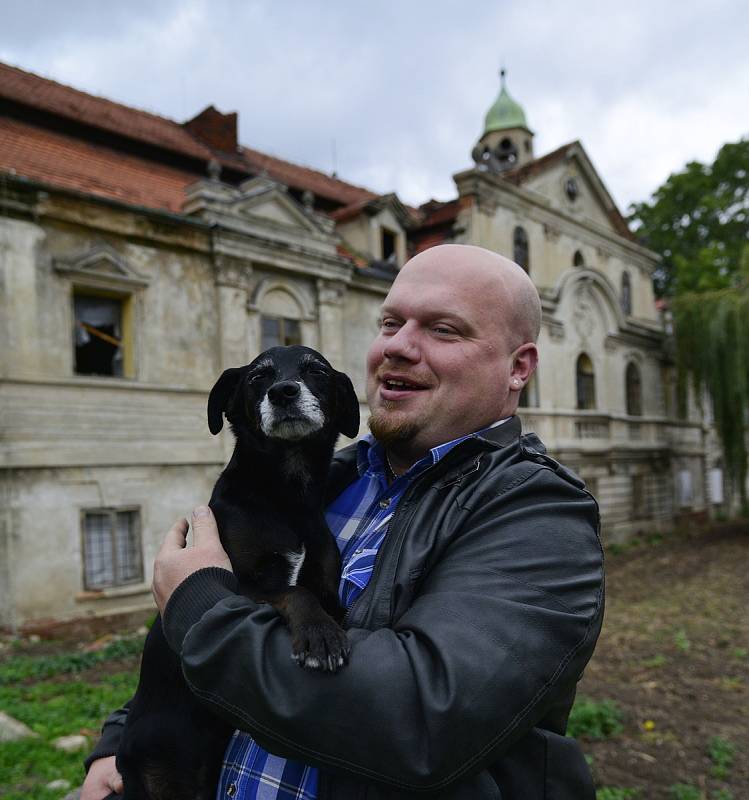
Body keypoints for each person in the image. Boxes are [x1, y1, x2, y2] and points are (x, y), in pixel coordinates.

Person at [82, 244, 604, 799]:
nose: (398, 345)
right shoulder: (318, 479)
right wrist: (121, 736)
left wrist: (199, 607)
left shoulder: (538, 512)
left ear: (518, 367)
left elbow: (423, 721)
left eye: (443, 329)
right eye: (390, 322)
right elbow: (187, 622)